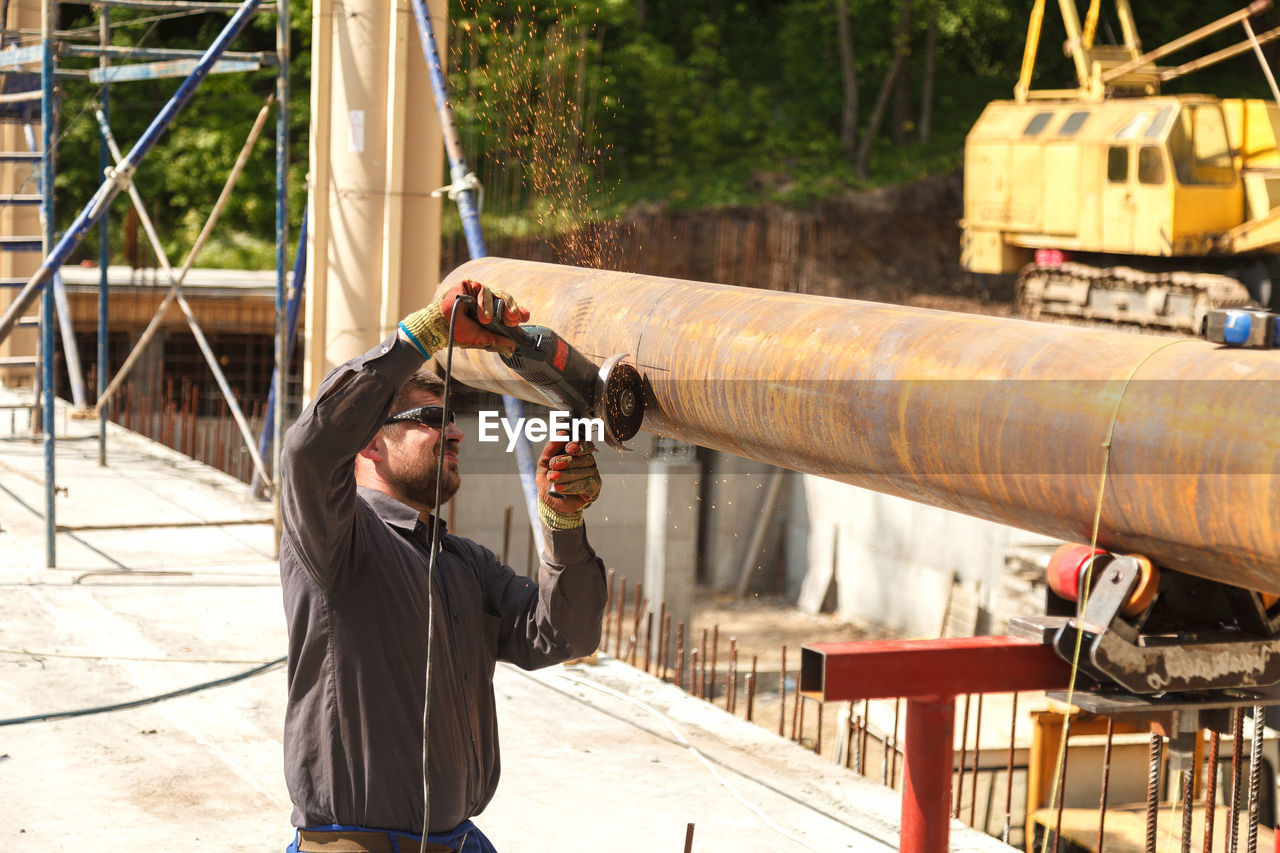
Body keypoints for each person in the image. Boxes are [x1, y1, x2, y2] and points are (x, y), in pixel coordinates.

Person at [279, 279, 608, 853]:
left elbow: (564, 635)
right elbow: (311, 449)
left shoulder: (461, 562)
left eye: (452, 418)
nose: (454, 431)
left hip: (458, 840)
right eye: (430, 420)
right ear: (370, 443)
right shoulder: (338, 540)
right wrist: (427, 334)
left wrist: (562, 521)